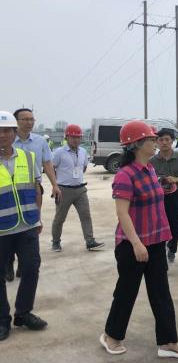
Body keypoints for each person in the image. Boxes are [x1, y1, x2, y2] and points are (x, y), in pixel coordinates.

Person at [101, 120, 178, 358]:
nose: (156, 142)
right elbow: (122, 213)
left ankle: (168, 342)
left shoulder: (150, 169)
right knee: (127, 292)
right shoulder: (125, 175)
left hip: (155, 241)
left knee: (161, 292)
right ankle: (111, 335)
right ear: (136, 144)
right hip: (133, 245)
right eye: (151, 139)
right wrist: (136, 243)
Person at [0, 111, 47, 341]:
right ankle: (2, 319)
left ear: (14, 132)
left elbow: (36, 188)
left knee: (30, 269)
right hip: (1, 230)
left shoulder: (28, 157)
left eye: (7, 130)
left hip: (27, 225)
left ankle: (23, 313)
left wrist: (38, 217)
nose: (3, 135)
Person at [5, 109, 61, 282]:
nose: (29, 122)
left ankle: (24, 264)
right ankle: (8, 264)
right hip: (7, 190)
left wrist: (55, 184)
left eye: (32, 119)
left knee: (31, 224)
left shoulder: (40, 141)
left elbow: (47, 163)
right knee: (8, 228)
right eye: (25, 119)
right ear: (16, 122)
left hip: (32, 189)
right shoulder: (6, 140)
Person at [51, 124, 105, 252]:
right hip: (64, 190)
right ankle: (56, 242)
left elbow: (84, 167)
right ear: (67, 137)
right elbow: (51, 168)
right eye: (73, 137)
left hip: (80, 189)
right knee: (60, 218)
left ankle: (90, 241)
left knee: (86, 215)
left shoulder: (83, 152)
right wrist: (55, 185)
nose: (76, 140)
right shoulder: (59, 152)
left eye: (78, 137)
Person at [150, 128, 178, 263]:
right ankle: (160, 255)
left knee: (176, 229)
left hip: (176, 197)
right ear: (156, 142)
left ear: (172, 141)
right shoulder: (151, 161)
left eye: (167, 139)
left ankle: (172, 247)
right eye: (161, 140)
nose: (164, 142)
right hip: (157, 199)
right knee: (158, 227)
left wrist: (176, 179)